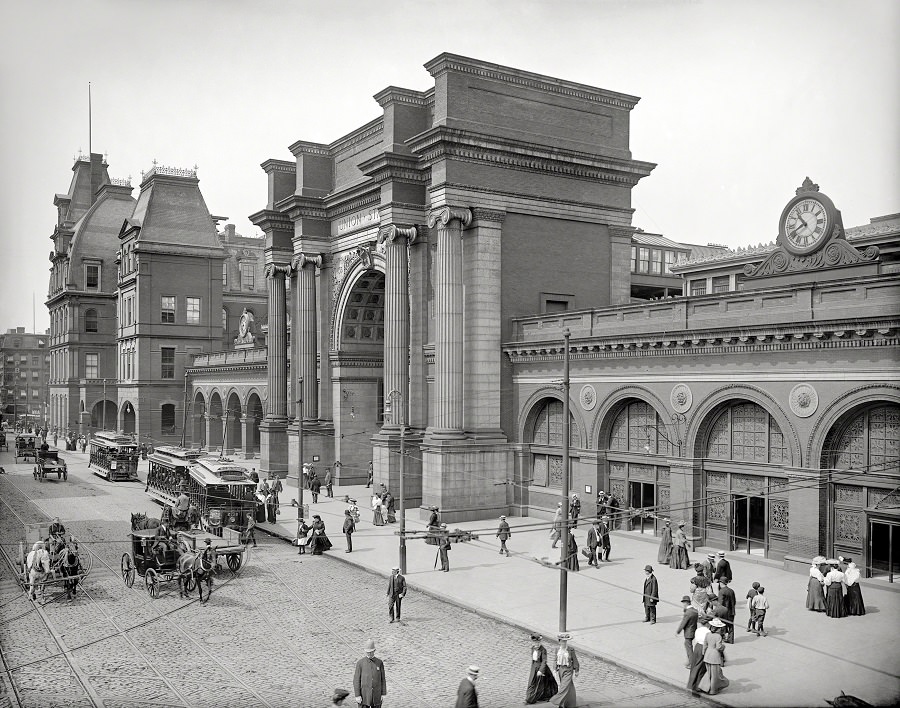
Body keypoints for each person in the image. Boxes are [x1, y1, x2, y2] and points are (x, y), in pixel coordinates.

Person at [353, 639, 387, 708]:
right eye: (367, 652)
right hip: (364, 696)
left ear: (374, 651)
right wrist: (357, 695)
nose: (369, 654)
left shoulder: (379, 662)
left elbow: (382, 679)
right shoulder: (360, 663)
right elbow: (356, 680)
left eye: (371, 652)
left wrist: (383, 693)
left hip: (376, 696)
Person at [525, 633, 557, 704]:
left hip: (541, 669)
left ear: (540, 642)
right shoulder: (533, 648)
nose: (536, 643)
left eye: (538, 642)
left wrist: (540, 671)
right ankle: (529, 697)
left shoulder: (543, 650)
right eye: (535, 642)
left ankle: (531, 699)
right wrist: (533, 669)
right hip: (534, 668)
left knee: (542, 684)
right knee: (531, 683)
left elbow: (544, 661)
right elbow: (533, 660)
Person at [549, 632, 579, 707]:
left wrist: (576, 670)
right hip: (561, 670)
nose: (564, 643)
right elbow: (555, 660)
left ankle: (557, 701)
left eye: (565, 641)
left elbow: (575, 660)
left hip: (568, 670)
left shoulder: (570, 650)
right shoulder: (557, 649)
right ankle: (570, 704)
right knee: (569, 686)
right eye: (562, 641)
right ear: (559, 641)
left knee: (564, 686)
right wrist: (554, 669)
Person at [702, 618, 729, 695]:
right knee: (715, 675)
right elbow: (718, 647)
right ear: (718, 628)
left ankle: (704, 687)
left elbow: (705, 645)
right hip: (714, 656)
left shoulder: (707, 634)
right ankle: (713, 690)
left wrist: (704, 653)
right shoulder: (718, 636)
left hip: (707, 655)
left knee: (709, 673)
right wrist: (723, 646)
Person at [686, 615, 710, 695]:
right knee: (701, 668)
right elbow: (707, 642)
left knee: (694, 666)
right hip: (703, 648)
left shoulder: (698, 630)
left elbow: (696, 639)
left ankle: (691, 684)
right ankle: (697, 686)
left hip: (697, 647)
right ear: (707, 623)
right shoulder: (708, 632)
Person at [675, 594, 699, 668]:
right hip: (693, 630)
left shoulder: (688, 613)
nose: (683, 604)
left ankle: (692, 663)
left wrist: (678, 631)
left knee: (689, 648)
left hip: (688, 633)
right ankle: (689, 661)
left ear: (686, 603)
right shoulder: (695, 611)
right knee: (689, 646)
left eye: (683, 603)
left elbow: (683, 623)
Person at [718, 577, 737, 643]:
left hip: (724, 611)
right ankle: (731, 639)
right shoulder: (731, 591)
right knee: (731, 625)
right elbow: (734, 601)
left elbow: (720, 603)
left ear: (721, 583)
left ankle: (721, 637)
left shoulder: (721, 591)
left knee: (721, 624)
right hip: (731, 611)